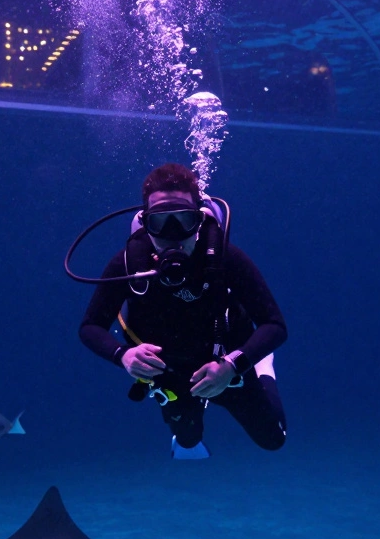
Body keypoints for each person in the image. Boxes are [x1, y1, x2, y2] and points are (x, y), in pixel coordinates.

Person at [78, 163, 288, 458]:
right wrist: (122, 355)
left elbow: (274, 325)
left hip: (229, 363)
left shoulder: (227, 258)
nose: (172, 234)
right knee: (188, 441)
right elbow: (90, 327)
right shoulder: (128, 264)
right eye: (160, 222)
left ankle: (264, 368)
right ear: (145, 221)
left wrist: (232, 366)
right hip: (171, 372)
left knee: (273, 439)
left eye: (183, 220)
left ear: (199, 220)